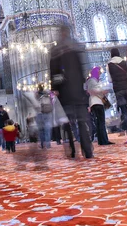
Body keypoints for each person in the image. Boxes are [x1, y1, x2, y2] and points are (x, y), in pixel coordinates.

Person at [50, 25, 93, 159]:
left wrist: (56, 88)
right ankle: (86, 150)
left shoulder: (56, 50)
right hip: (77, 91)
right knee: (80, 121)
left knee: (69, 122)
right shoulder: (77, 47)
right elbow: (84, 68)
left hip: (66, 92)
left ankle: (73, 149)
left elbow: (54, 72)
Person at [86, 67, 113, 146]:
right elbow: (92, 90)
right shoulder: (92, 80)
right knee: (100, 122)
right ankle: (103, 140)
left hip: (97, 102)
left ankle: (102, 140)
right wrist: (102, 92)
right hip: (96, 103)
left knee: (100, 122)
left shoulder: (94, 81)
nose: (99, 74)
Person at [35, 83, 53, 149]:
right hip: (47, 112)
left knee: (41, 130)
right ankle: (48, 144)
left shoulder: (36, 95)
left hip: (40, 113)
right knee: (47, 129)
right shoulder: (47, 93)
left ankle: (42, 143)